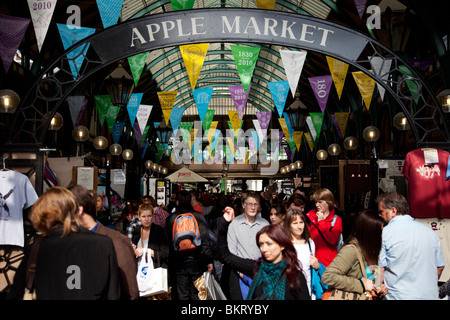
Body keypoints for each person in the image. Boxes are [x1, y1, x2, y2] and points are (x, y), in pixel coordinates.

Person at [9, 186, 120, 300]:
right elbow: (112, 294)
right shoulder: (103, 244)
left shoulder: (37, 248)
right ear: (75, 210)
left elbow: (16, 292)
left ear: (41, 214)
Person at [218, 207, 310, 300]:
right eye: (261, 244)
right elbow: (226, 256)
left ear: (282, 245)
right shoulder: (257, 268)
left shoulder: (295, 276)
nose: (264, 249)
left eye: (269, 244)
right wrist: (224, 225)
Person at [69, 185, 139, 300]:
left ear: (79, 210)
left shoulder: (116, 241)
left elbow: (130, 292)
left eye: (66, 211)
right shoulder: (69, 240)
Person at [376, 191, 445, 300]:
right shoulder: (430, 232)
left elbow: (380, 269)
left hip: (397, 296)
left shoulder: (386, 233)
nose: (380, 215)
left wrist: (376, 287)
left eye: (381, 212)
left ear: (393, 211)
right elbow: (440, 267)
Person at [321, 209, 388, 299]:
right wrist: (360, 284)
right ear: (370, 233)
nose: (382, 236)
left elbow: (370, 279)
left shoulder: (371, 250)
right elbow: (328, 277)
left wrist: (380, 286)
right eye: (380, 232)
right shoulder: (351, 250)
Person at [164, 190, 214, 300]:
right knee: (198, 293)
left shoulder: (171, 218)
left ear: (177, 202)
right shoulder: (198, 216)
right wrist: (209, 260)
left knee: (182, 295)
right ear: (191, 201)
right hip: (198, 261)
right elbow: (205, 240)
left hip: (178, 263)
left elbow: (167, 241)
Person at [226, 191, 269, 299]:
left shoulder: (264, 224)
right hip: (240, 273)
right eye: (250, 204)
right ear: (243, 205)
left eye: (255, 204)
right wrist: (240, 271)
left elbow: (269, 249)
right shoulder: (234, 224)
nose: (253, 207)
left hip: (261, 272)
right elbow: (231, 251)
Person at [283, 208, 320, 298]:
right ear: (288, 225)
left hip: (308, 292)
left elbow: (311, 269)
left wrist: (316, 266)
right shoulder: (284, 245)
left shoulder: (310, 243)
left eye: (301, 222)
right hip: (289, 292)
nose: (299, 226)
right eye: (295, 223)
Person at [306, 188, 343, 267]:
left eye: (320, 202)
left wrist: (321, 222)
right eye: (316, 202)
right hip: (312, 261)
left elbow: (333, 240)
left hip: (329, 264)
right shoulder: (310, 217)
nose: (317, 205)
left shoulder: (336, 220)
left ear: (328, 202)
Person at [132, 203, 169, 270]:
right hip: (140, 271)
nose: (146, 219)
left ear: (153, 216)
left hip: (154, 270)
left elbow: (165, 253)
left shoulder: (159, 231)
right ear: (139, 217)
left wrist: (146, 251)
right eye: (143, 216)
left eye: (149, 216)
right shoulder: (137, 230)